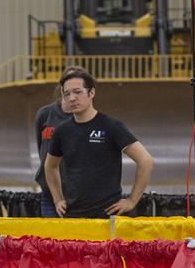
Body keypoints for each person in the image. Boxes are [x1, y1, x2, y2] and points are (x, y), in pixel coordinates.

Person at [44, 66, 154, 219]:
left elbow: (146, 161)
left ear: (91, 93)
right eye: (67, 94)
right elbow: (50, 166)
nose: (72, 98)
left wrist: (131, 200)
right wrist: (57, 200)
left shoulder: (111, 126)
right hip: (73, 216)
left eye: (77, 92)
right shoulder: (62, 132)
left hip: (108, 216)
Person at [33, 89, 73, 217]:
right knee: (49, 236)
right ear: (62, 89)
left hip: (76, 193)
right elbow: (42, 149)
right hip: (49, 191)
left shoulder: (86, 119)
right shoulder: (44, 114)